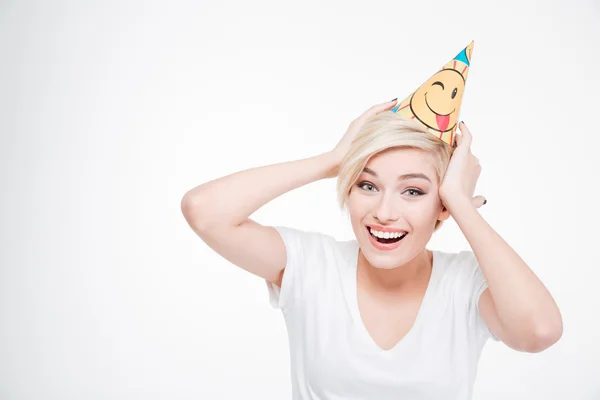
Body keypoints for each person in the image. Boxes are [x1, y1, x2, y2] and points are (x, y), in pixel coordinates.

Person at [180, 99, 563, 399]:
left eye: (413, 191)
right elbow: (204, 212)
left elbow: (538, 332)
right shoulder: (312, 265)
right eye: (367, 185)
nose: (383, 212)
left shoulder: (466, 283)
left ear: (441, 204)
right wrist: (331, 161)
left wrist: (461, 204)